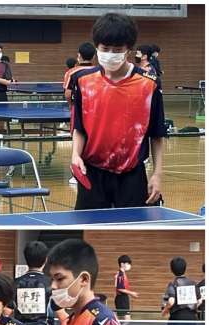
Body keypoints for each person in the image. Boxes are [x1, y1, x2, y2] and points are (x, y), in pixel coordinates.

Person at [70, 13, 166, 210]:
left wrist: (157, 174)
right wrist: (75, 155)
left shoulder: (149, 84)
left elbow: (156, 135)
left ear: (128, 50)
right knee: (89, 224)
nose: (110, 54)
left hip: (132, 174)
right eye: (105, 49)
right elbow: (79, 127)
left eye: (117, 50)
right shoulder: (82, 80)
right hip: (91, 172)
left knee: (133, 225)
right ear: (97, 47)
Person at [114, 255, 139, 320]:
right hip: (121, 298)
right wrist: (131, 293)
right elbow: (120, 288)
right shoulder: (120, 274)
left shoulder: (122, 273)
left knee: (125, 319)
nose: (129, 265)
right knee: (127, 319)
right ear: (122, 264)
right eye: (127, 263)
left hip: (123, 298)